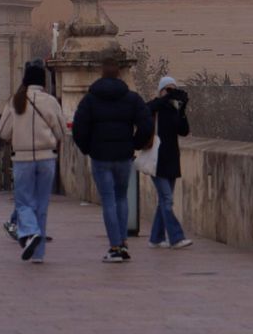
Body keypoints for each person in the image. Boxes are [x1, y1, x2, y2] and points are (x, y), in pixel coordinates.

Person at [71, 55, 153, 263]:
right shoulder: (132, 98)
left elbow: (79, 129)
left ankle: (115, 246)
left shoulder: (90, 99)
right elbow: (146, 125)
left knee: (108, 200)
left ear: (101, 73)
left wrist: (88, 148)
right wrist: (134, 143)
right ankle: (123, 242)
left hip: (100, 157)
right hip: (124, 156)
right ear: (119, 74)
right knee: (121, 198)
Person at [0, 60, 67, 262]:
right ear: (43, 81)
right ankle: (38, 253)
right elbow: (62, 132)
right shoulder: (51, 101)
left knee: (24, 202)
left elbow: (2, 132)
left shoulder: (16, 101)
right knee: (42, 205)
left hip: (23, 158)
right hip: (47, 158)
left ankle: (30, 231)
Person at [147, 75, 193, 250]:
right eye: (168, 89)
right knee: (167, 200)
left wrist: (182, 110)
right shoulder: (155, 107)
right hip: (156, 160)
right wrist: (164, 98)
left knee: (164, 201)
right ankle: (176, 237)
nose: (171, 92)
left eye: (174, 89)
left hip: (171, 160)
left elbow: (184, 131)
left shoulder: (174, 109)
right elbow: (146, 109)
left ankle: (156, 238)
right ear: (161, 90)